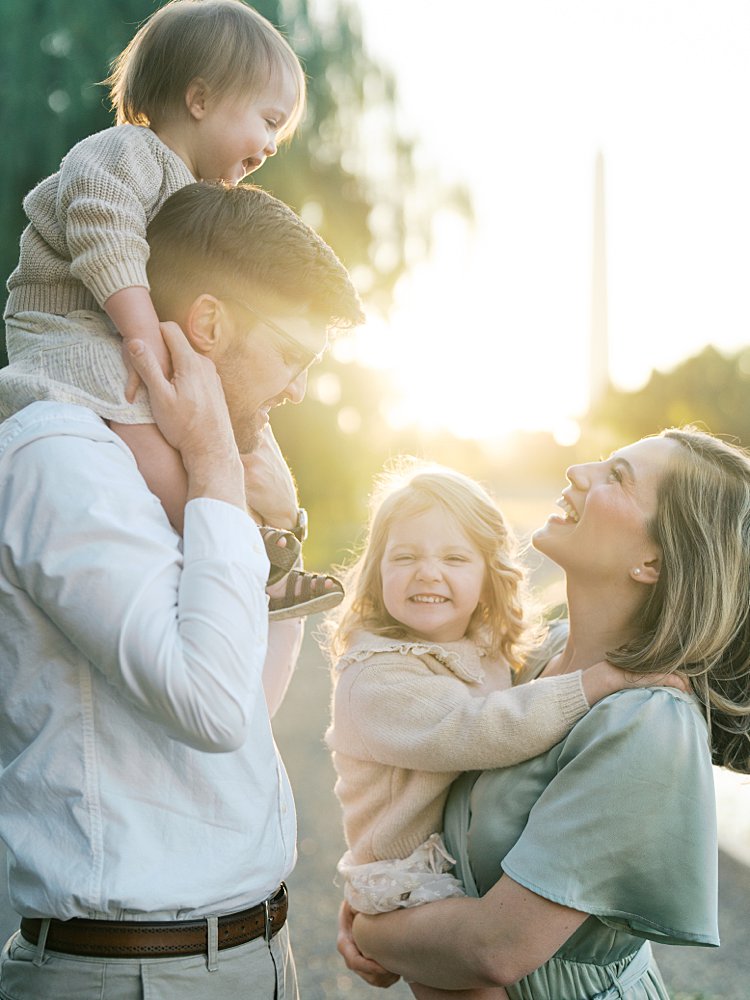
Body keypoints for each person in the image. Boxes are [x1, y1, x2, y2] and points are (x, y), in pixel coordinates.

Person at [0, 180, 364, 999]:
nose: (299, 389)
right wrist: (215, 468)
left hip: (255, 955)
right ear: (209, 325)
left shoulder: (187, 477)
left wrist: (276, 535)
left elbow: (246, 709)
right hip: (134, 975)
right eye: (292, 356)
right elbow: (208, 703)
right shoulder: (61, 457)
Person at [338, 428, 750, 1000]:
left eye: (618, 477)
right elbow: (422, 779)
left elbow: (493, 950)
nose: (578, 470)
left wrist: (376, 930)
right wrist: (384, 892)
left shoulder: (648, 721)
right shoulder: (528, 658)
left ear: (651, 560)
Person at [0, 0, 307, 552]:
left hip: (121, 330)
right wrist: (146, 342)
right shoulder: (127, 153)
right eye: (268, 121)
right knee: (138, 413)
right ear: (199, 99)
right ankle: (208, 536)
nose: (270, 147)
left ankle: (262, 534)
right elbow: (104, 233)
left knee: (235, 413)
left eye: (278, 133)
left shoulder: (195, 198)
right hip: (67, 323)